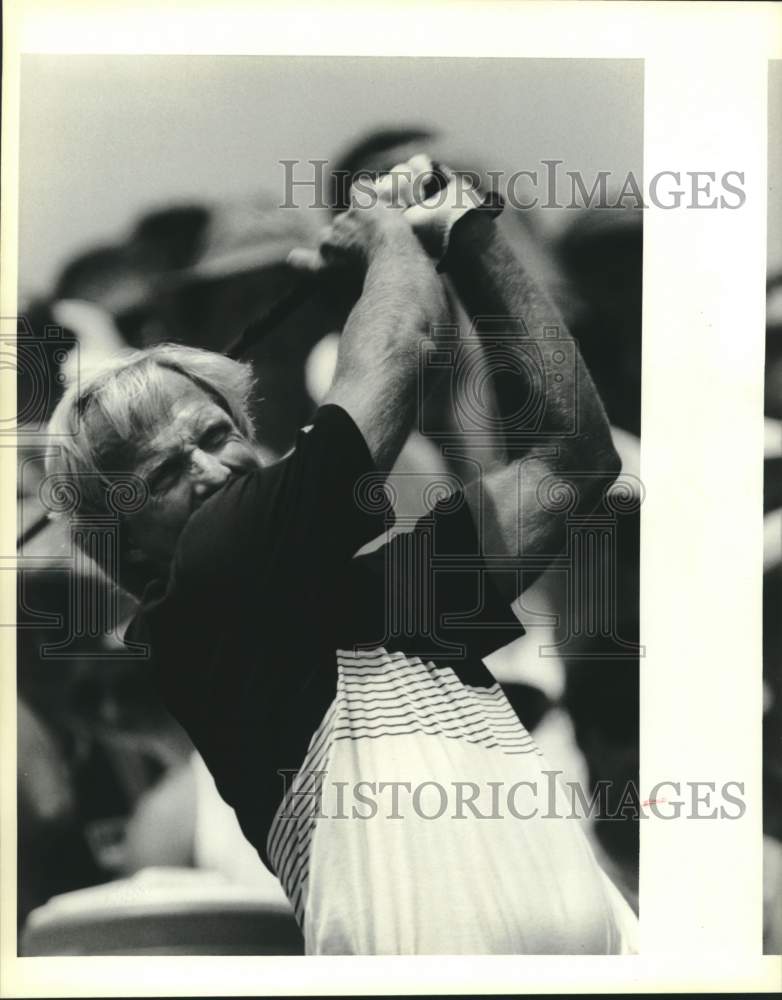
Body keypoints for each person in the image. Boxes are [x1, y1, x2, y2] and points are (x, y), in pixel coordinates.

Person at [45, 155, 637, 954]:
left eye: (217, 436)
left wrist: (470, 235)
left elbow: (573, 460)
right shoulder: (205, 594)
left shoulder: (394, 592)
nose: (210, 469)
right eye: (163, 474)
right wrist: (391, 232)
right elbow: (401, 341)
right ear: (131, 561)